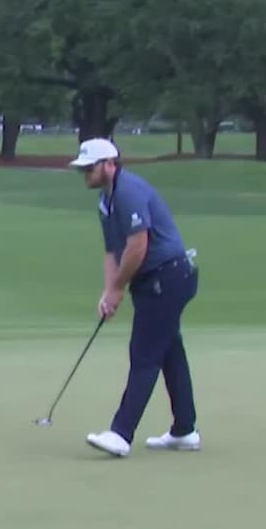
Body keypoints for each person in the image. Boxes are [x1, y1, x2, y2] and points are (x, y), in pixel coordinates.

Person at [71, 138, 201, 457]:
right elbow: (112, 252)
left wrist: (117, 288)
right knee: (169, 353)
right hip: (156, 281)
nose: (85, 173)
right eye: (83, 168)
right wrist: (109, 292)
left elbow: (138, 246)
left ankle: (121, 433)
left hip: (168, 277)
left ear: (110, 165)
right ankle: (185, 430)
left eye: (90, 167)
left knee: (144, 354)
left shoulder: (128, 191)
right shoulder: (106, 202)